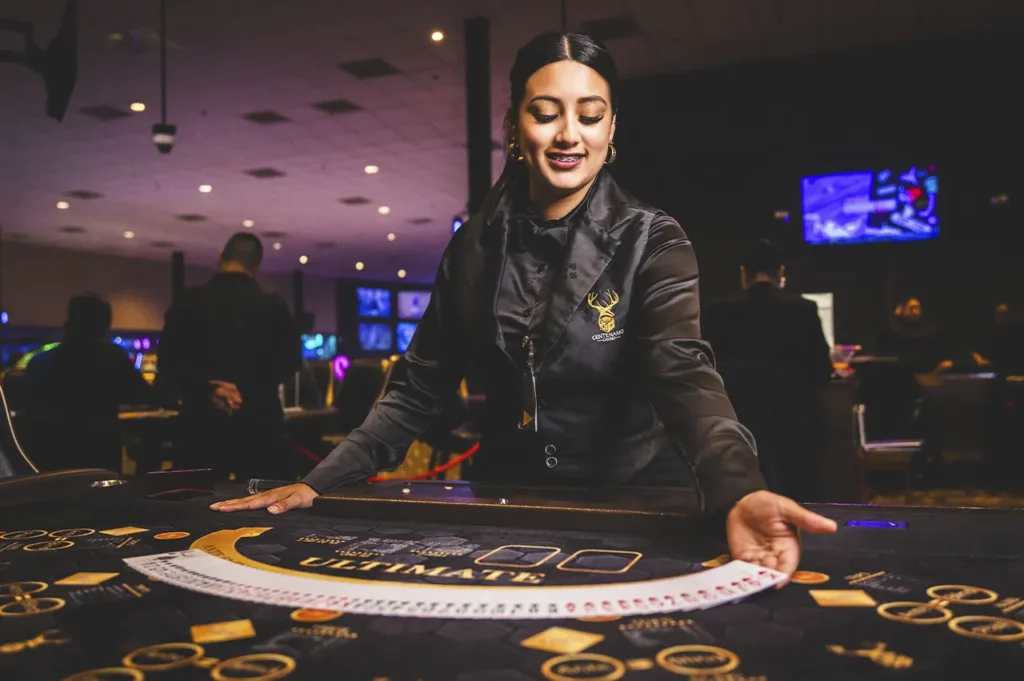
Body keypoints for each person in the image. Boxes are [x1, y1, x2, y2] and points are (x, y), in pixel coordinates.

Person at [212, 32, 836, 576]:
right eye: (546, 113)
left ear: (611, 127)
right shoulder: (474, 246)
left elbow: (685, 374)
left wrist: (737, 491)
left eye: (591, 116)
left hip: (641, 505)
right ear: (513, 125)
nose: (569, 134)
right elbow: (418, 388)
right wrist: (319, 482)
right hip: (510, 499)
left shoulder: (653, 237)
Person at [159, 232, 302, 480]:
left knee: (195, 506)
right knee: (262, 505)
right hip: (259, 420)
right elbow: (290, 362)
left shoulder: (188, 302)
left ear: (219, 258)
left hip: (200, 422)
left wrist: (210, 389)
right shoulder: (272, 304)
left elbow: (168, 362)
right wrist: (245, 389)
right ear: (256, 267)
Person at [702, 240, 833, 500]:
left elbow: (705, 367)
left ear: (743, 273)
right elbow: (822, 370)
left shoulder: (717, 311)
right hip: (795, 426)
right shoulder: (803, 308)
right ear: (780, 273)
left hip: (736, 423)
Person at [21, 293, 151, 472]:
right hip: (99, 460)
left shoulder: (39, 362)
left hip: (50, 463)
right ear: (102, 326)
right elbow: (140, 395)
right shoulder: (112, 357)